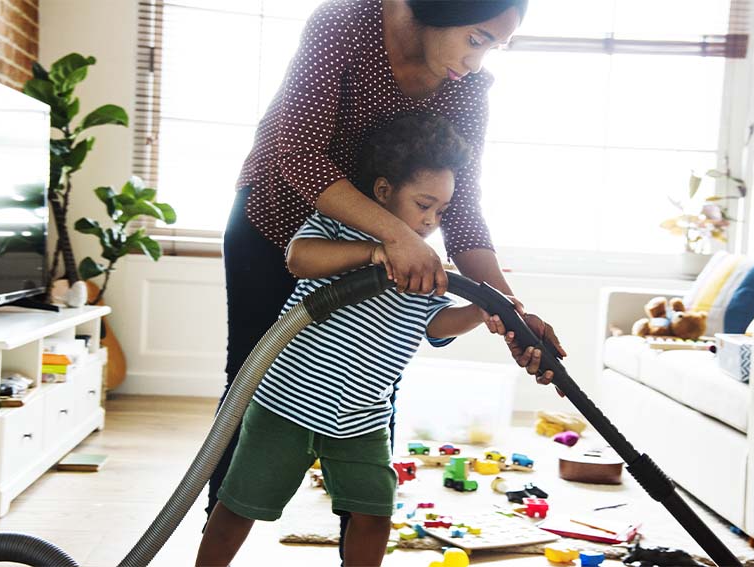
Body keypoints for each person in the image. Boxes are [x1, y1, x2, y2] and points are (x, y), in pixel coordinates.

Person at [209, 0, 567, 555]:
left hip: (391, 241)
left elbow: (463, 207)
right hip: (280, 218)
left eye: (493, 47)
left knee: (375, 388)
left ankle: (360, 537)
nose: (477, 61)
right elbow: (298, 152)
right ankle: (221, 534)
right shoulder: (345, 26)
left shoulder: (467, 89)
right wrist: (394, 240)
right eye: (476, 38)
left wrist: (509, 311)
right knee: (250, 384)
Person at [197, 114, 517, 567]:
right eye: (423, 204)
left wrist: (480, 310)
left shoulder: (427, 264)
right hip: (285, 407)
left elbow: (435, 325)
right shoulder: (338, 227)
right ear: (384, 191)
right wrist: (376, 252)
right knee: (240, 507)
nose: (429, 221)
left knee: (373, 515)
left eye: (440, 212)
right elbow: (299, 257)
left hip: (362, 419)